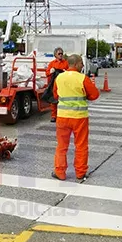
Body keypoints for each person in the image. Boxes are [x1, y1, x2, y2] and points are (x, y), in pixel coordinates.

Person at [52, 54, 100, 182]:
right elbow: (94, 95)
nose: (83, 66)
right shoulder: (82, 78)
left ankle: (60, 172)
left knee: (61, 146)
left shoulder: (59, 78)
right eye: (82, 64)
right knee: (81, 145)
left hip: (62, 116)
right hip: (79, 118)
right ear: (77, 64)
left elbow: (55, 95)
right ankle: (80, 172)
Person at [45, 47, 69, 122]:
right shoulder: (52, 63)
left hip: (64, 85)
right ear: (55, 55)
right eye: (59, 53)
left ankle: (63, 116)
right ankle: (53, 116)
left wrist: (66, 72)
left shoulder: (66, 63)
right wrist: (50, 72)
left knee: (64, 101)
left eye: (62, 53)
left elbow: (70, 72)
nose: (61, 55)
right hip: (54, 84)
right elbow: (47, 73)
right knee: (53, 101)